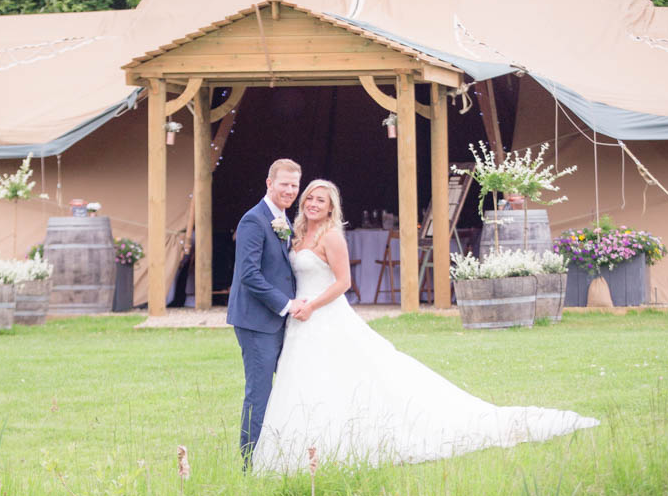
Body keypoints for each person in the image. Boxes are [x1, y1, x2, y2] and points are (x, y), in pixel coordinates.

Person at [252, 179, 597, 474]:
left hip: (324, 315)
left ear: (331, 208)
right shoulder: (294, 235)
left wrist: (311, 305)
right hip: (301, 323)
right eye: (309, 198)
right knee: (306, 380)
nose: (313, 204)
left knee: (357, 375)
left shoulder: (331, 237)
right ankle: (301, 445)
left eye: (320, 200)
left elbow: (343, 283)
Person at [227, 158, 305, 465]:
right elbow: (249, 274)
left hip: (280, 322)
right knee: (258, 394)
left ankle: (282, 455)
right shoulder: (253, 220)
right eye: (284, 183)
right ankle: (251, 464)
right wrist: (286, 305)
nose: (289, 190)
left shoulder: (285, 220)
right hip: (257, 322)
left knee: (289, 388)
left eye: (294, 185)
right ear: (269, 183)